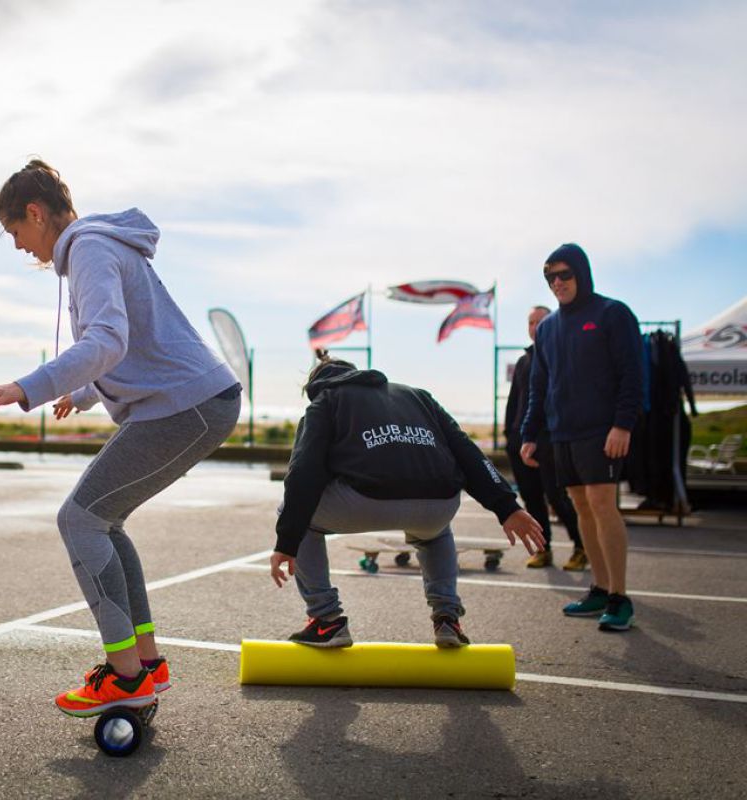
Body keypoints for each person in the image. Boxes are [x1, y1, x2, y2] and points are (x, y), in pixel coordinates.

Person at [0, 160, 241, 717]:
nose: (19, 247)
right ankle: (146, 664)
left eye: (15, 232)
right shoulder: (99, 246)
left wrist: (26, 387)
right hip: (194, 402)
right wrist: (85, 392)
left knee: (80, 519)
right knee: (103, 521)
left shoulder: (88, 247)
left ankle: (125, 675)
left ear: (35, 214)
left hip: (187, 407)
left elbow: (107, 339)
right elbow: (127, 341)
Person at [270, 352, 545, 648]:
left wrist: (287, 541)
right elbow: (468, 451)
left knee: (293, 510)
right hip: (439, 504)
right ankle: (447, 618)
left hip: (366, 500)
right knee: (435, 534)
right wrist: (507, 507)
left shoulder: (326, 400)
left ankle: (326, 620)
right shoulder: (418, 397)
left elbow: (303, 472)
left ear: (317, 385)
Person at [520, 243, 644, 632]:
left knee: (601, 502)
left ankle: (620, 597)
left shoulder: (612, 313)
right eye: (551, 277)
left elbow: (633, 373)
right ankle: (600, 587)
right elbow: (539, 386)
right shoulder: (549, 329)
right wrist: (529, 433)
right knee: (580, 506)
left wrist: (623, 424)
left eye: (565, 275)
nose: (558, 283)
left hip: (602, 429)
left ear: (581, 274)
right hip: (563, 432)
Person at [504, 305, 584, 569]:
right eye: (530, 322)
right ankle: (543, 549)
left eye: (541, 321)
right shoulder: (524, 361)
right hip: (521, 441)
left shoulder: (560, 356)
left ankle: (581, 547)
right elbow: (515, 402)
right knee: (531, 499)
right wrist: (510, 436)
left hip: (550, 440)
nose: (535, 327)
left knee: (557, 498)